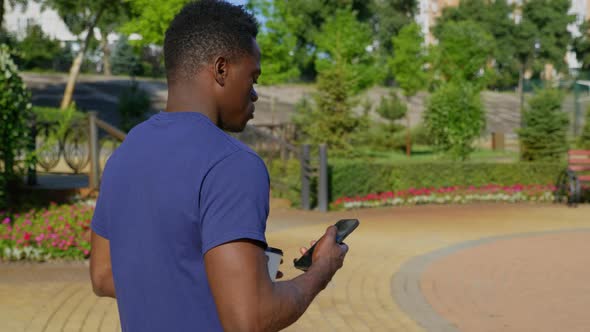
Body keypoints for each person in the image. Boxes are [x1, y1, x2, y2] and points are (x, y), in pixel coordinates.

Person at [89, 1, 349, 331]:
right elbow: (250, 318)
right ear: (221, 69)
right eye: (253, 76)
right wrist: (321, 269)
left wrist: (231, 282)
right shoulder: (233, 164)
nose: (254, 93)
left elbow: (103, 275)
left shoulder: (125, 154)